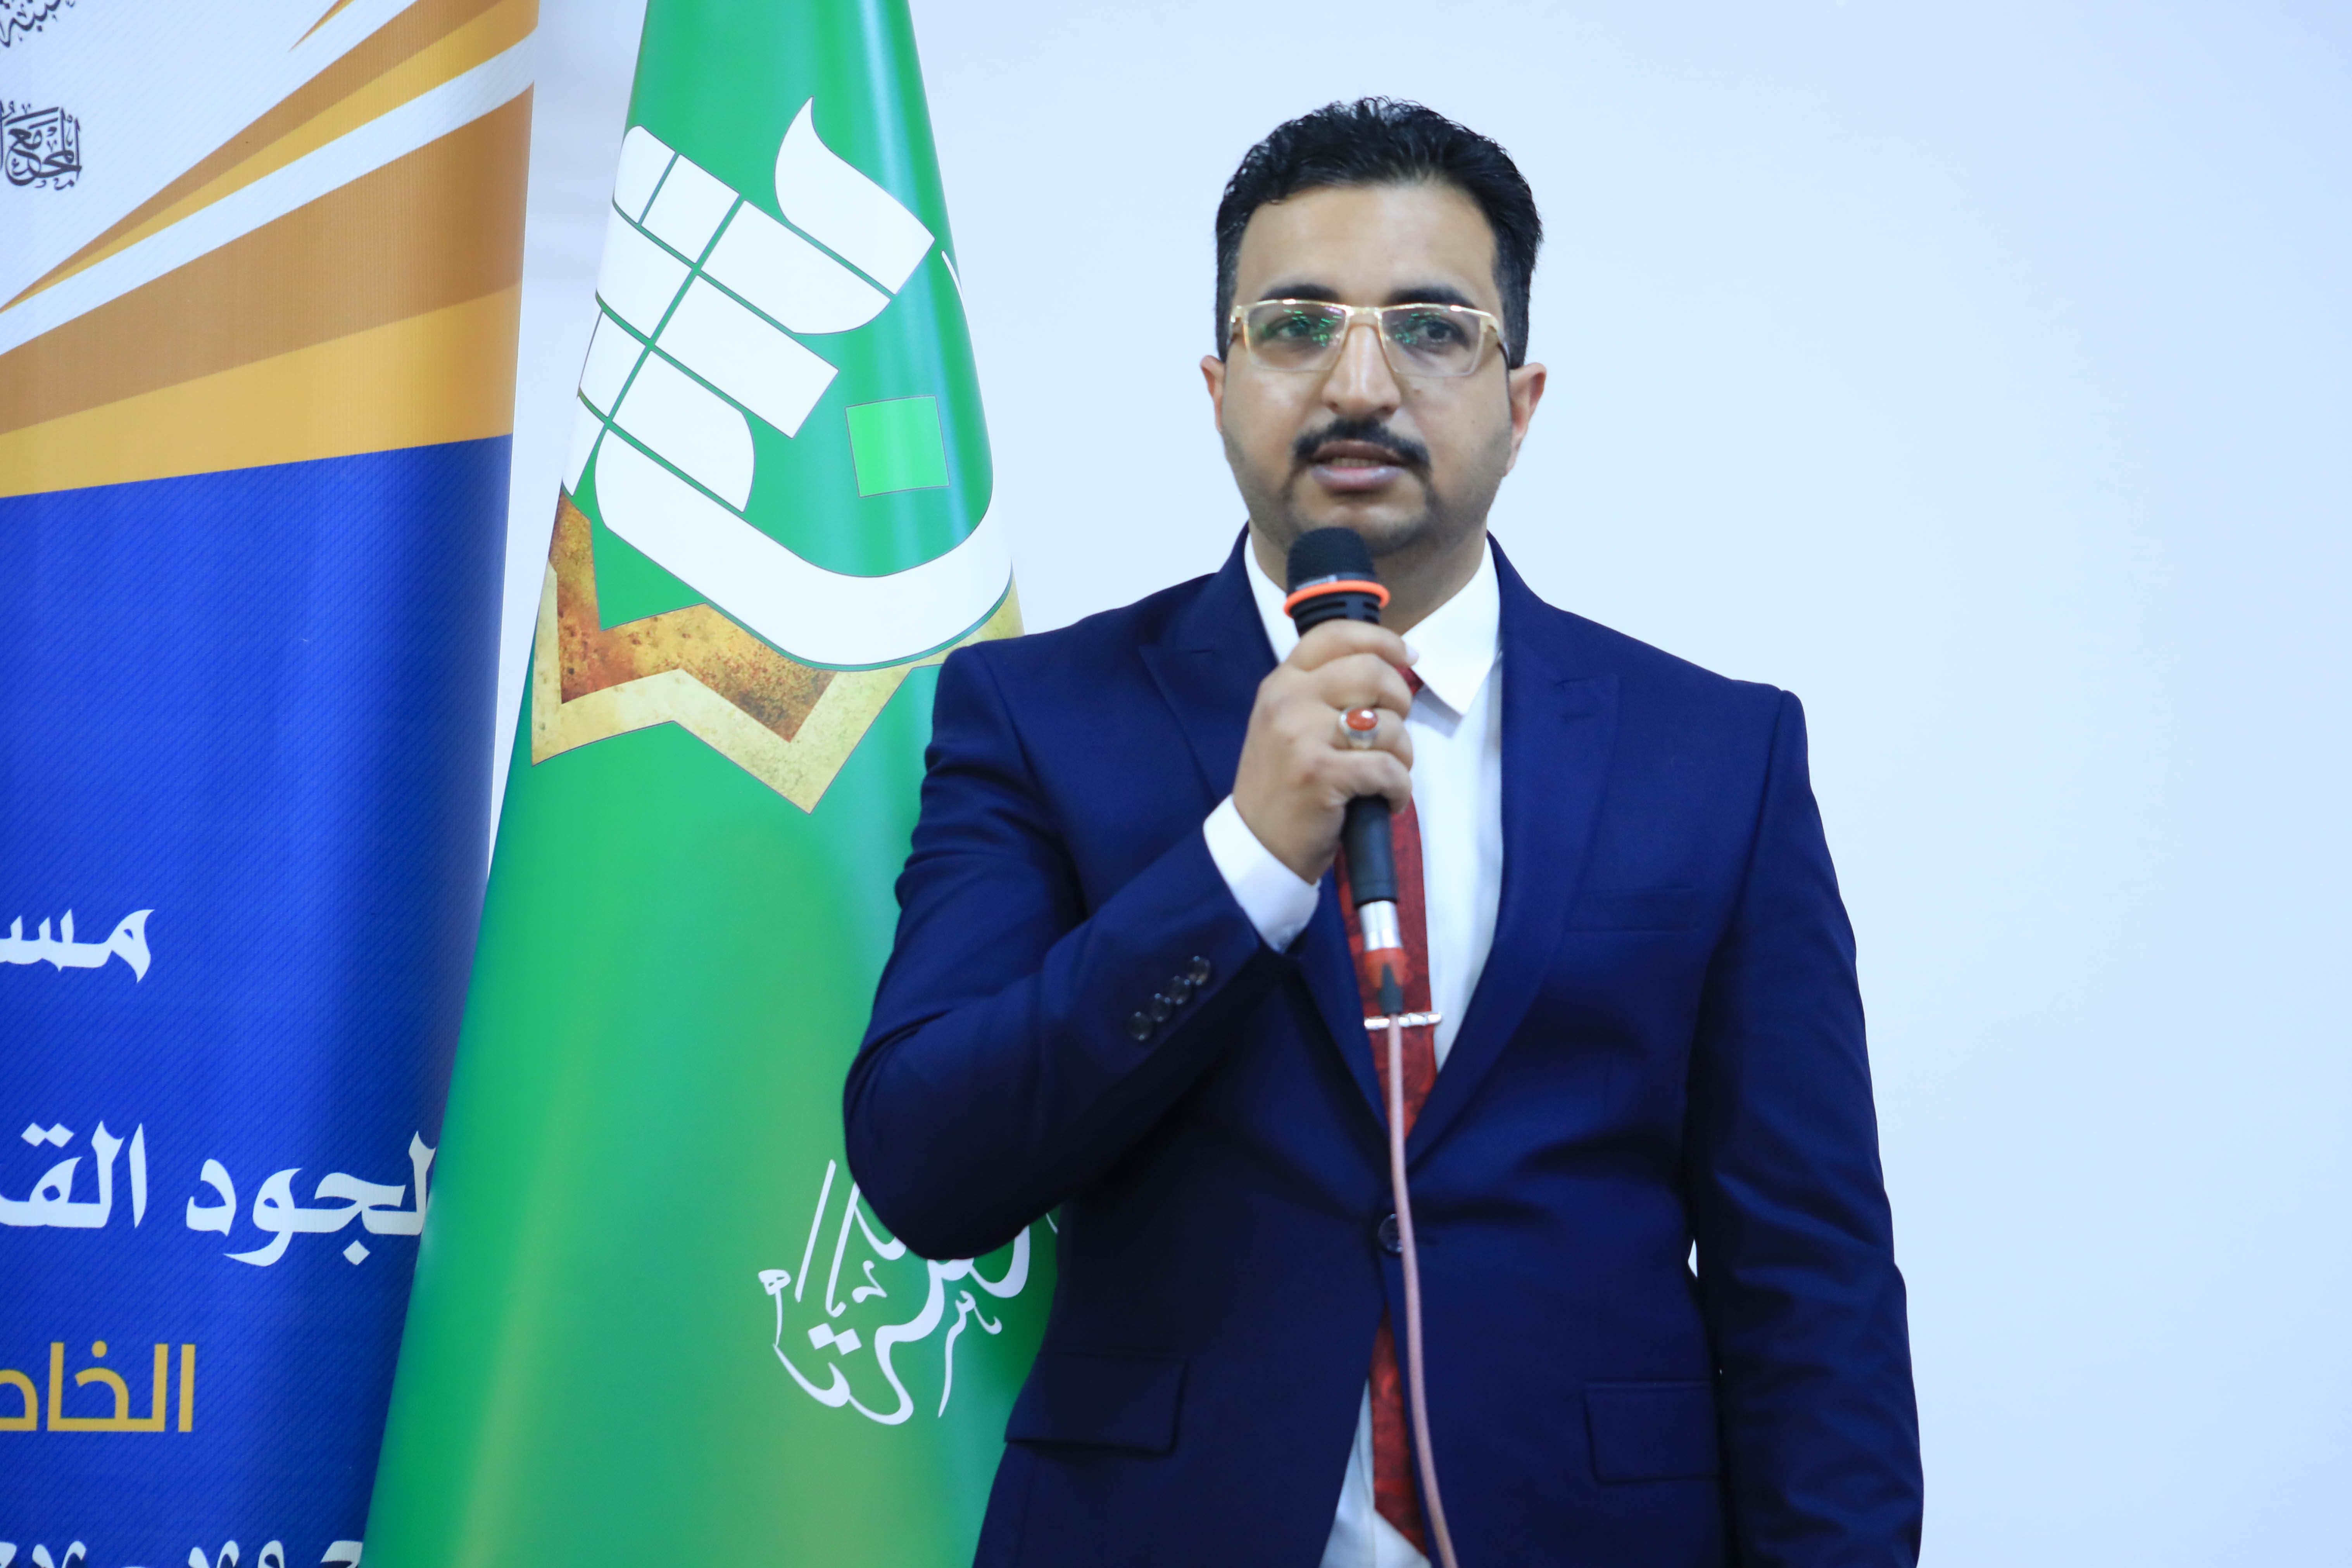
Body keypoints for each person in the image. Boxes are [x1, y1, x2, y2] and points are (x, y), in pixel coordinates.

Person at [844, 98, 1922, 1568]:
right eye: (1296, 327)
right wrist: (1242, 860)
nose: (1359, 383)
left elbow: (1808, 1275)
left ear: (1520, 401)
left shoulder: (1716, 756)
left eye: (1430, 329)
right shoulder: (1037, 716)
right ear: (1219, 383)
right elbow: (926, 1165)